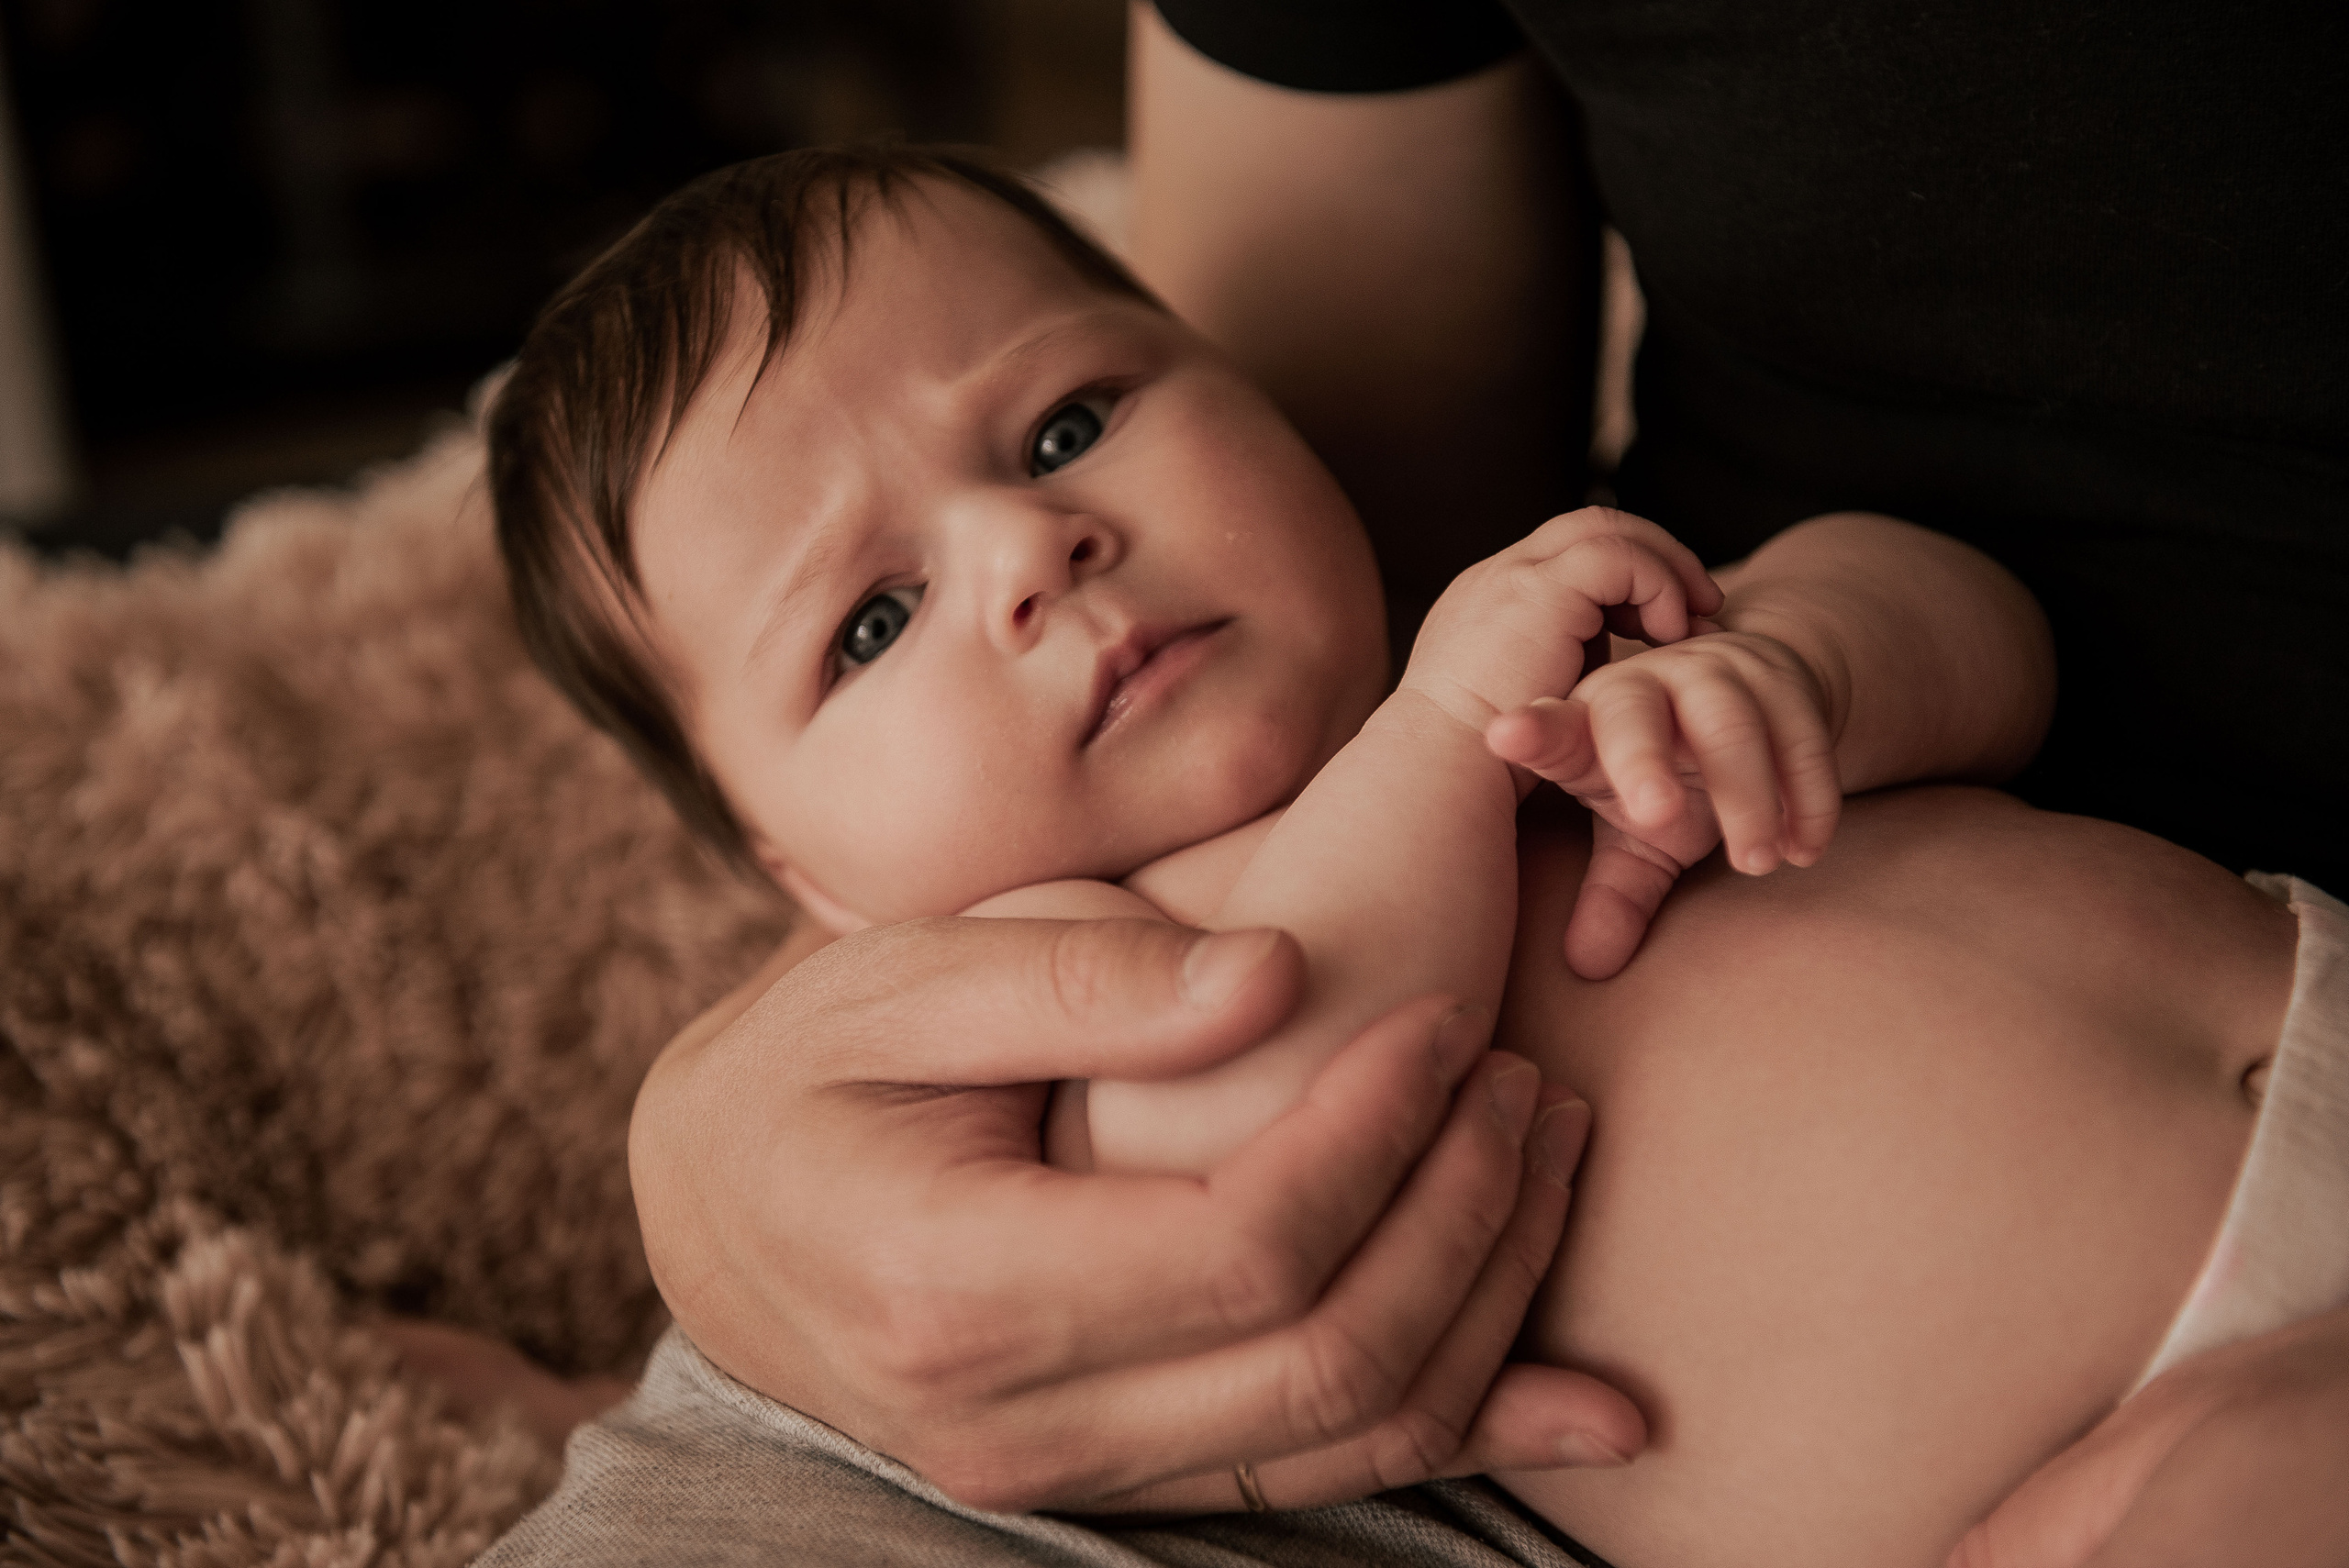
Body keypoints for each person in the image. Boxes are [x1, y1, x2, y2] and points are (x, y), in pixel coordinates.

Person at [468, 147, 2349, 1566]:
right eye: (870, 624)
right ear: (800, 877)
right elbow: (1289, 1120)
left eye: (1065, 424)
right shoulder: (1064, 988)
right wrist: (1447, 736)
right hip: (2108, 1448)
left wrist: (1811, 656)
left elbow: (1978, 634)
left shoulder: (1558, 615)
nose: (1027, 552)